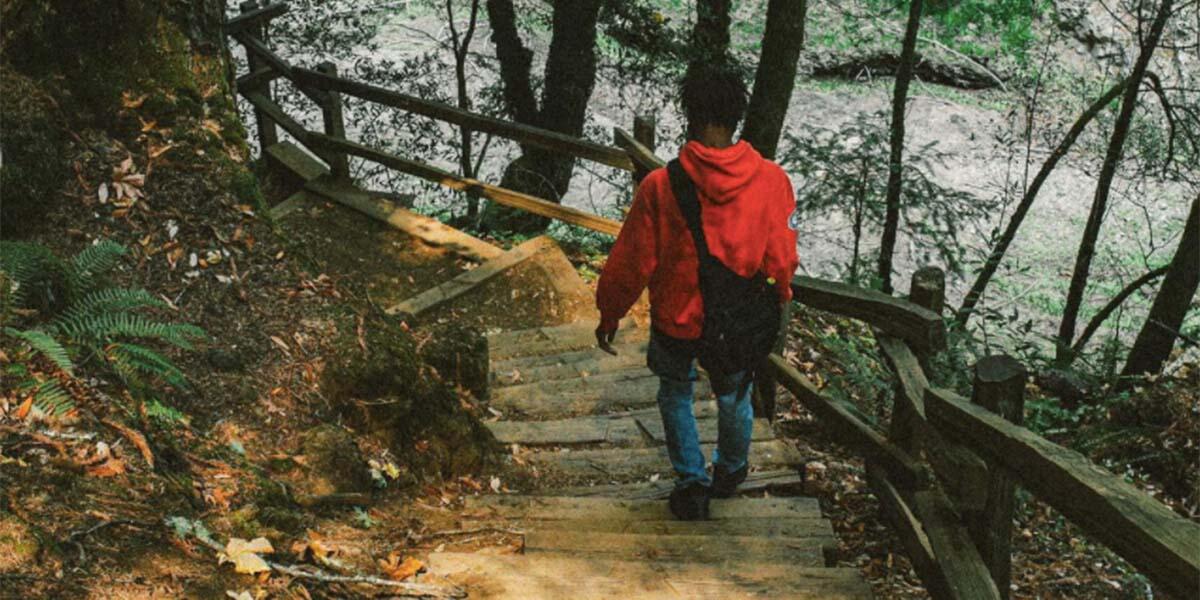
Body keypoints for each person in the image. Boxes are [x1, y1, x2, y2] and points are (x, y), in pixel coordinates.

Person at [594, 63, 799, 520]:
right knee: (734, 395)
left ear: (689, 115)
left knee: (675, 392)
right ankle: (730, 471)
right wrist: (777, 295)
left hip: (677, 316)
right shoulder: (772, 182)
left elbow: (630, 263)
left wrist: (609, 313)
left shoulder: (660, 186)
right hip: (737, 320)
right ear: (738, 116)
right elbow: (782, 259)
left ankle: (692, 482)